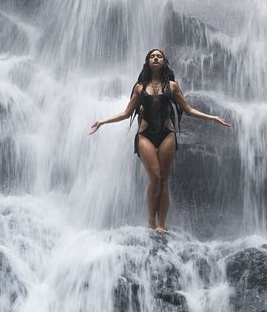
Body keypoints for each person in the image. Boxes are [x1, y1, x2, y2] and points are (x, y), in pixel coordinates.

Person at [89, 48, 231, 234]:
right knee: (154, 177)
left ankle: (161, 224)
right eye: (152, 56)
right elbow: (126, 113)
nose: (156, 58)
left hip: (167, 133)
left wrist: (212, 118)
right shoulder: (139, 88)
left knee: (163, 180)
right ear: (147, 61)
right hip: (146, 134)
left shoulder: (172, 86)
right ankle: (150, 220)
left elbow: (187, 109)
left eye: (159, 56)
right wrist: (103, 121)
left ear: (164, 62)